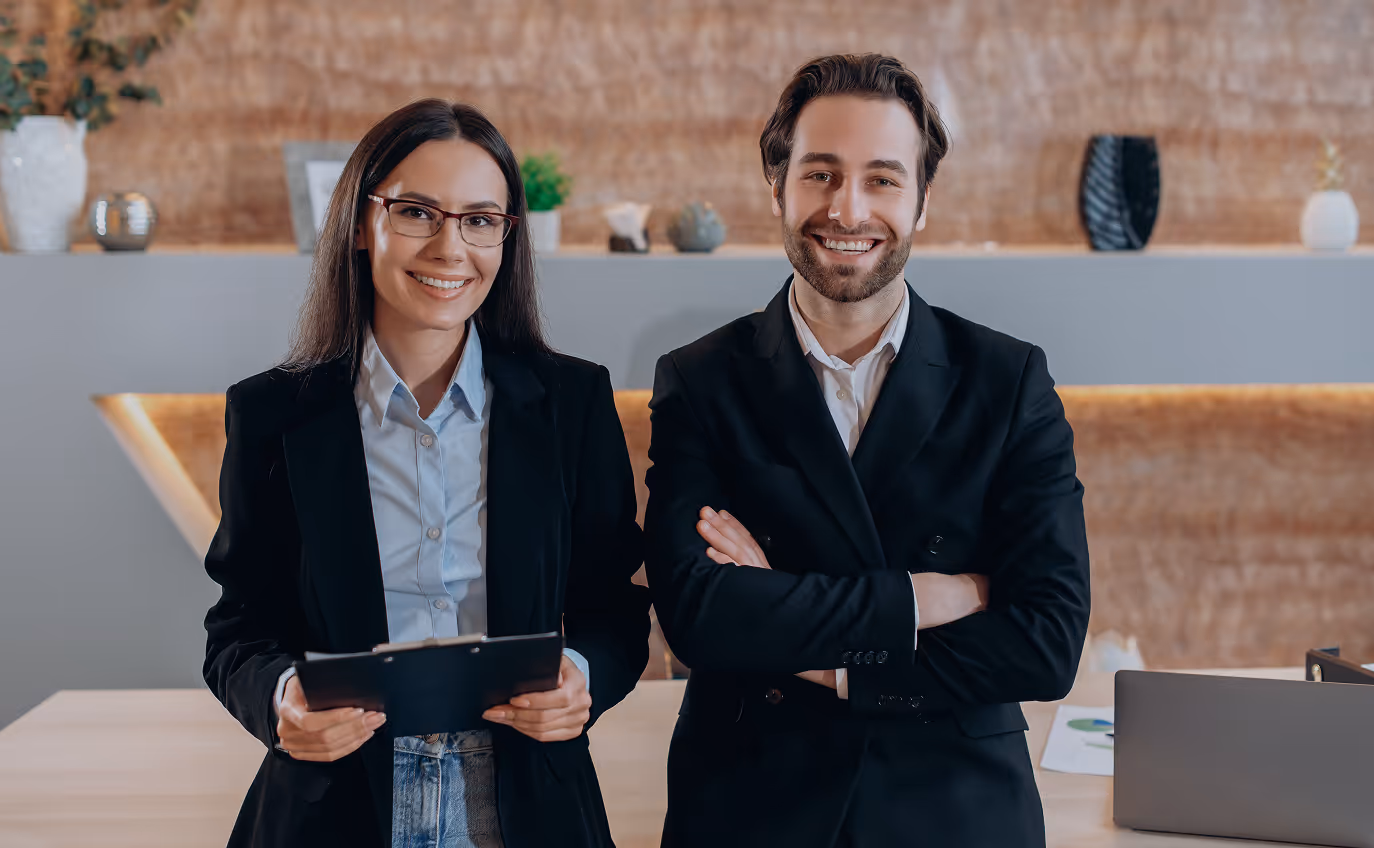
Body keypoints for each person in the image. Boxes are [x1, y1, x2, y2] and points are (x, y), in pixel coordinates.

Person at [644, 54, 1090, 847]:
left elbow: (1046, 643)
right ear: (776, 185)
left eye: (883, 178)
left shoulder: (1008, 379)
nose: (848, 209)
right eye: (820, 174)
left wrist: (805, 634)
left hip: (955, 806)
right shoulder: (701, 379)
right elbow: (701, 617)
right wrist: (931, 597)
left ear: (924, 201)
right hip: (751, 805)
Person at [203, 99, 649, 848]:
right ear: (358, 223)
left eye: (480, 220)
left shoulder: (571, 403)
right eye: (417, 212)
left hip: (526, 803)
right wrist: (282, 698)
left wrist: (582, 676)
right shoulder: (274, 412)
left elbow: (615, 609)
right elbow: (238, 629)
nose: (451, 247)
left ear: (507, 238)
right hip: (335, 804)